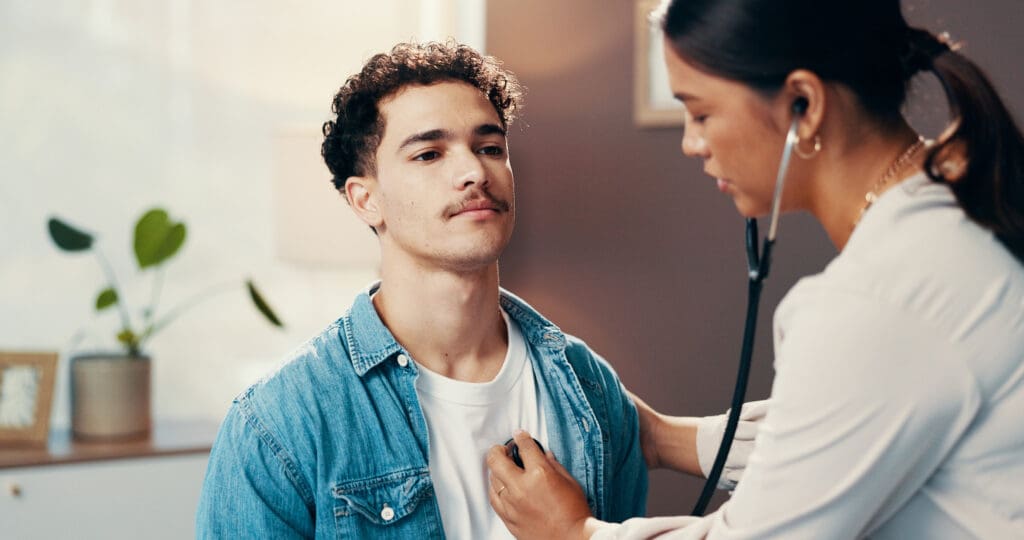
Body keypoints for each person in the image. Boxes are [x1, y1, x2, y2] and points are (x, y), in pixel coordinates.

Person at [485, 0, 1024, 538]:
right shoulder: (954, 213)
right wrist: (655, 436)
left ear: (804, 104)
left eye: (701, 114)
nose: (691, 143)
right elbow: (833, 438)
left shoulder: (877, 299)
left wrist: (572, 532)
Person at [195, 41, 759, 539]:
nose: (474, 171)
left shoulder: (586, 385)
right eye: (429, 154)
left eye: (490, 148)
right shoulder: (277, 425)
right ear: (365, 199)